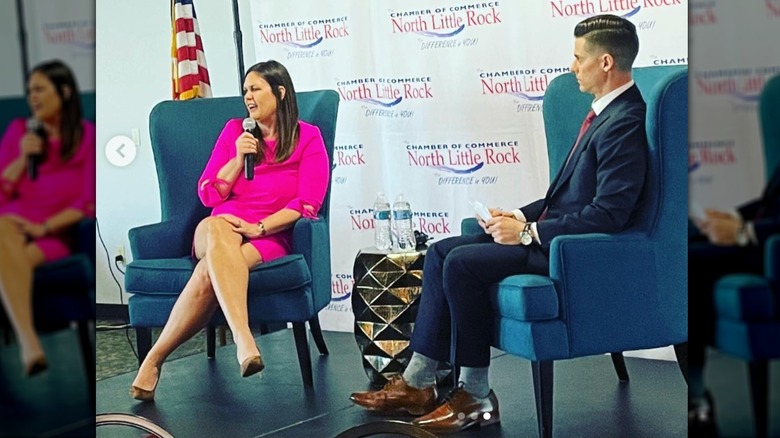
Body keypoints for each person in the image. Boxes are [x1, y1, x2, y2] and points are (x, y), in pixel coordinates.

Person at [349, 14, 648, 434]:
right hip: (552, 236)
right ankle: (419, 382)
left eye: (578, 58)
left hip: (574, 253)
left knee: (461, 264)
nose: (571, 67)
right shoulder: (601, 115)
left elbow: (611, 214)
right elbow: (566, 193)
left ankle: (475, 394)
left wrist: (528, 233)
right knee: (439, 251)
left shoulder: (626, 121)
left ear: (604, 63)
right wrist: (521, 215)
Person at [129, 60, 330, 402]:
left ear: (280, 92)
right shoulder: (235, 131)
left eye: (255, 89)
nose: (248, 97)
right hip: (218, 225)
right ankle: (243, 339)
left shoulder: (308, 137)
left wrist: (260, 226)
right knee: (219, 229)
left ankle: (154, 360)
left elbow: (307, 203)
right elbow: (208, 192)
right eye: (245, 90)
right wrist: (238, 158)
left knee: (210, 271)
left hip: (269, 233)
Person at [688, 75, 780, 436]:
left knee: (692, 264)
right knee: (689, 243)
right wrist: (736, 217)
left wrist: (745, 232)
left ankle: (696, 395)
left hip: (771, 251)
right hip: (760, 241)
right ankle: (695, 391)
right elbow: (772, 199)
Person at [0, 60, 96, 377]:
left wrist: (42, 227)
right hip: (11, 224)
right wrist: (21, 160)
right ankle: (30, 343)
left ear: (64, 92)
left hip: (54, 234)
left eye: (40, 89)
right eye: (29, 91)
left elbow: (87, 204)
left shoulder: (85, 137)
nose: (33, 97)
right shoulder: (18, 132)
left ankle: (27, 342)